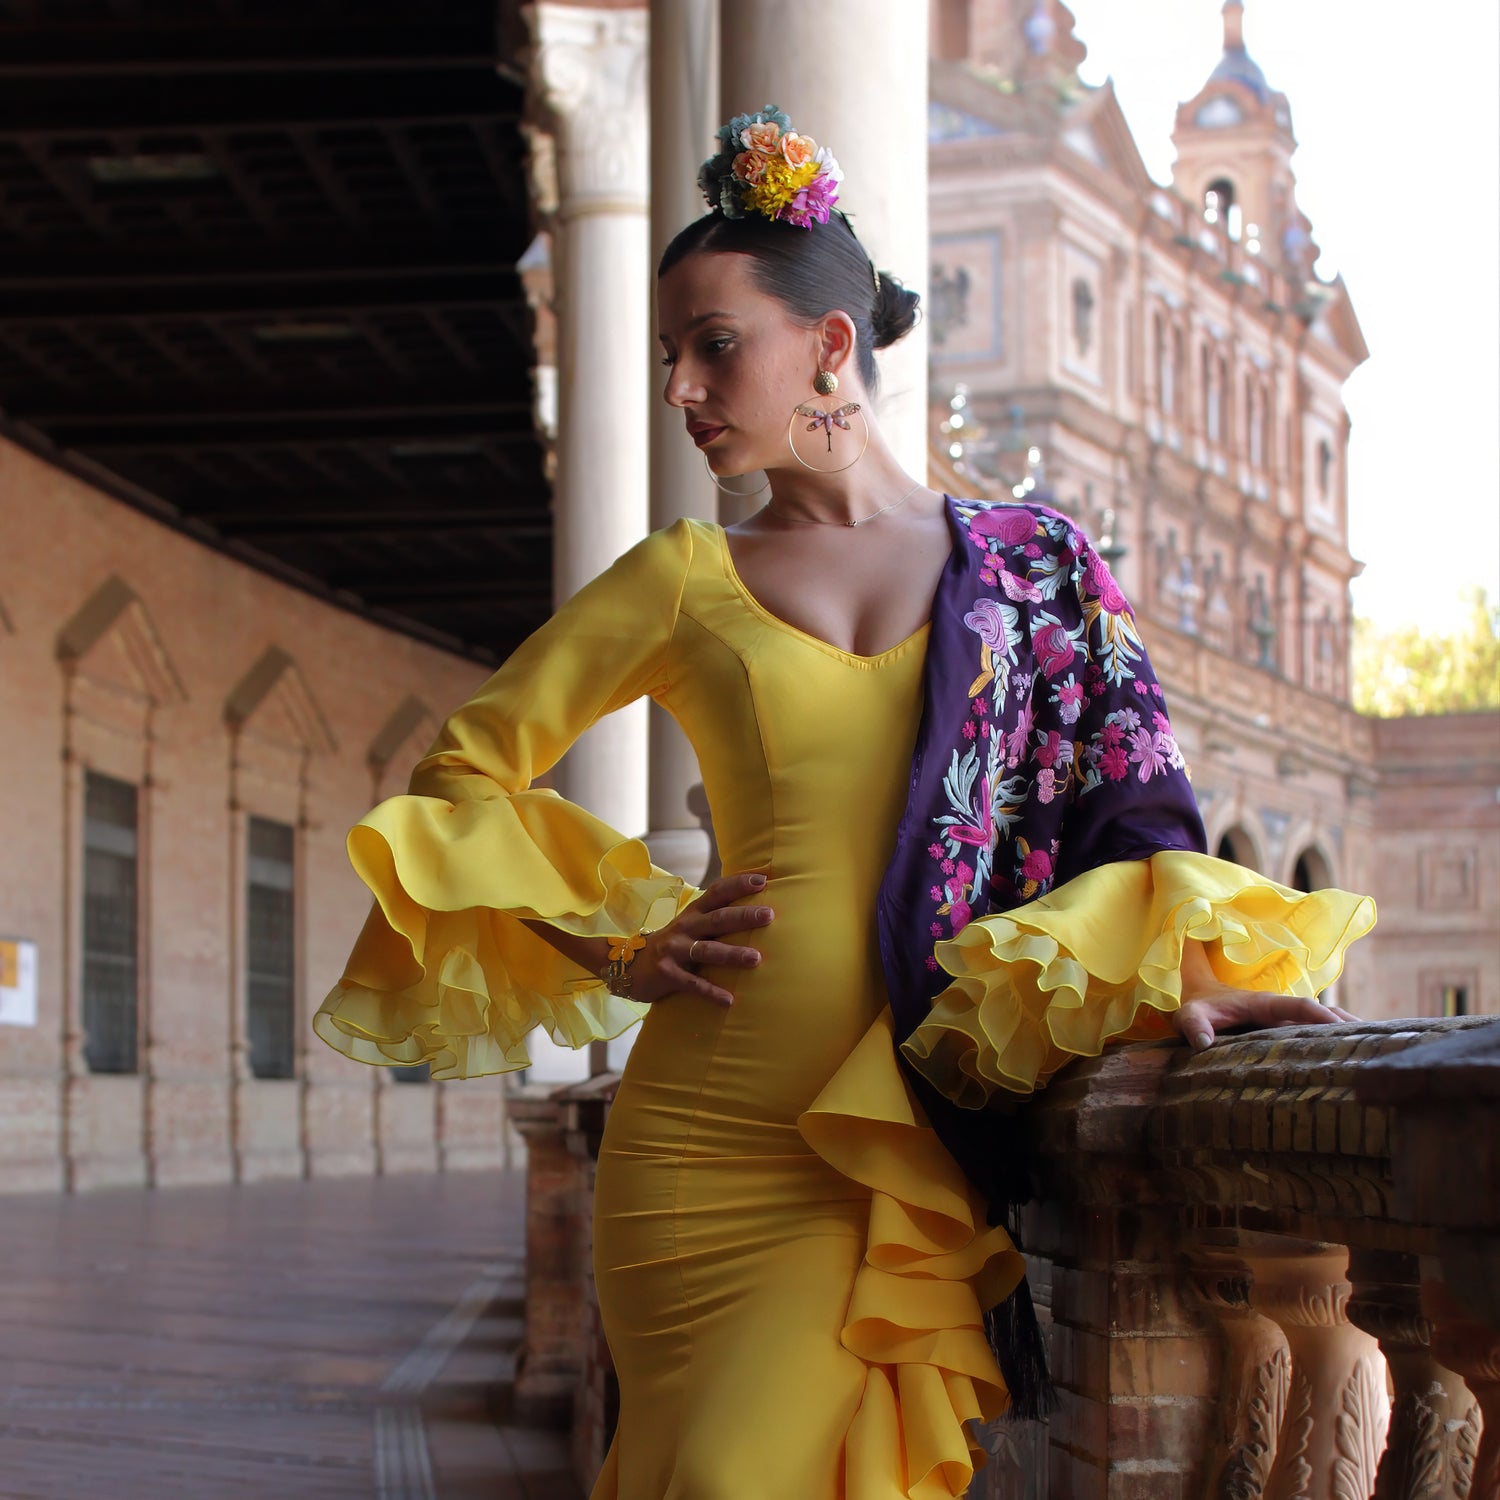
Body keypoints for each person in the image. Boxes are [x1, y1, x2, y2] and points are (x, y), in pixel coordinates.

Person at [314, 107, 1375, 1500]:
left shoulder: (1035, 564)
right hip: (702, 1141)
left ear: (828, 346)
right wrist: (619, 944)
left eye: (714, 345)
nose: (685, 388)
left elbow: (1132, 796)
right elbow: (461, 770)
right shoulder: (684, 574)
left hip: (888, 1138)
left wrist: (1189, 967)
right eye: (670, 357)